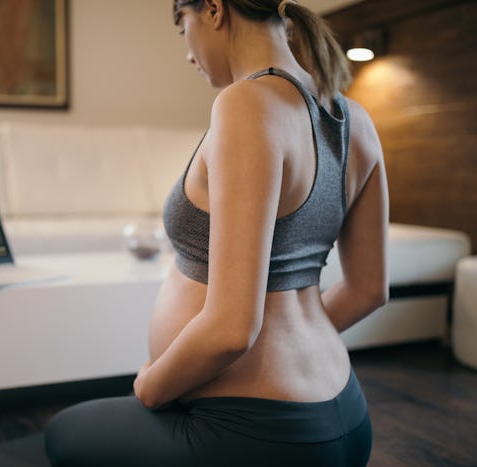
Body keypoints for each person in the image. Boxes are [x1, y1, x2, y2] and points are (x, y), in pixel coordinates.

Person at [45, 0, 388, 465]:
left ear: (212, 9)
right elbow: (370, 290)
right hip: (346, 416)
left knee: (63, 435)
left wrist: (151, 384)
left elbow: (231, 329)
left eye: (179, 24)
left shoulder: (247, 102)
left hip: (261, 432)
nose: (187, 52)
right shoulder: (357, 121)